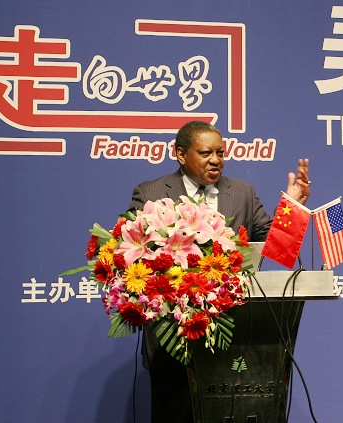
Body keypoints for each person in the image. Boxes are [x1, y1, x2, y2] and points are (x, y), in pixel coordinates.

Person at [127, 120, 310, 423]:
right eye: (205, 153)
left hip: (231, 331)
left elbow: (276, 246)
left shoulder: (241, 192)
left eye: (220, 153)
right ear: (181, 154)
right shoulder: (151, 193)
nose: (215, 160)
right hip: (173, 337)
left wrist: (293, 207)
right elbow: (134, 255)